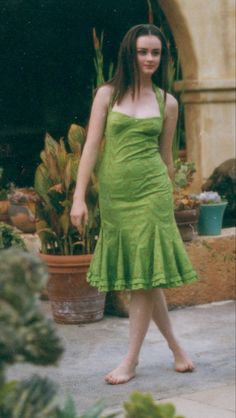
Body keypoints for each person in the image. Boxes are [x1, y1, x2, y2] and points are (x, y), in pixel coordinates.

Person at [70, 24, 198, 385]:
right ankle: (176, 349)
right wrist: (79, 197)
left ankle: (131, 360)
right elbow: (91, 148)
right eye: (143, 51)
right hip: (116, 197)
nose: (149, 59)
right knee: (146, 275)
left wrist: (169, 196)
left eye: (155, 53)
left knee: (142, 278)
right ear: (130, 52)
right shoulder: (107, 95)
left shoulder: (167, 102)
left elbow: (166, 157)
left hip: (152, 194)